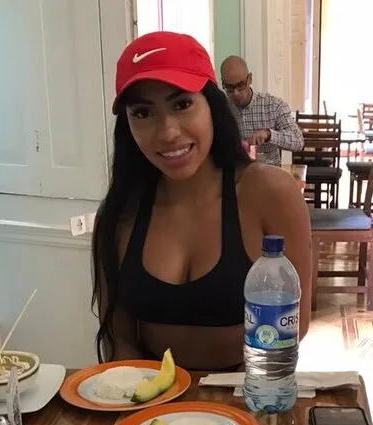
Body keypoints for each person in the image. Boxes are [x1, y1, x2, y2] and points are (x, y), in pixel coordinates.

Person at [90, 32, 312, 372]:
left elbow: (294, 326)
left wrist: (245, 395)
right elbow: (121, 341)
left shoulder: (269, 193)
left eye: (182, 105)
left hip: (249, 390)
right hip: (152, 395)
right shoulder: (121, 213)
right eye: (143, 113)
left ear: (212, 106)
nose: (168, 132)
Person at [220, 55, 304, 166]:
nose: (236, 93)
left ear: (250, 79)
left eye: (240, 85)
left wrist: (269, 134)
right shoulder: (223, 110)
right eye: (229, 87)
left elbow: (298, 142)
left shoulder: (274, 105)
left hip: (270, 172)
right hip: (238, 173)